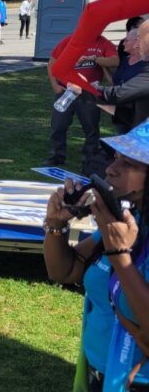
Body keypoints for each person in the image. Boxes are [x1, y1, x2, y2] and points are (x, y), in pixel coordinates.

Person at [42, 121, 149, 391]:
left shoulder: (119, 235)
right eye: (116, 158)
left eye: (130, 164)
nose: (111, 169)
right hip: (98, 369)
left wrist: (120, 255)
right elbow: (64, 272)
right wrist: (56, 226)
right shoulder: (127, 220)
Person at [45, 33, 119, 175]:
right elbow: (52, 62)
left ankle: (89, 158)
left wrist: (95, 59)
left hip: (89, 93)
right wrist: (54, 84)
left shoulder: (103, 43)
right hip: (66, 91)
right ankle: (56, 156)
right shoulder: (70, 40)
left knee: (91, 128)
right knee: (58, 125)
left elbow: (115, 61)